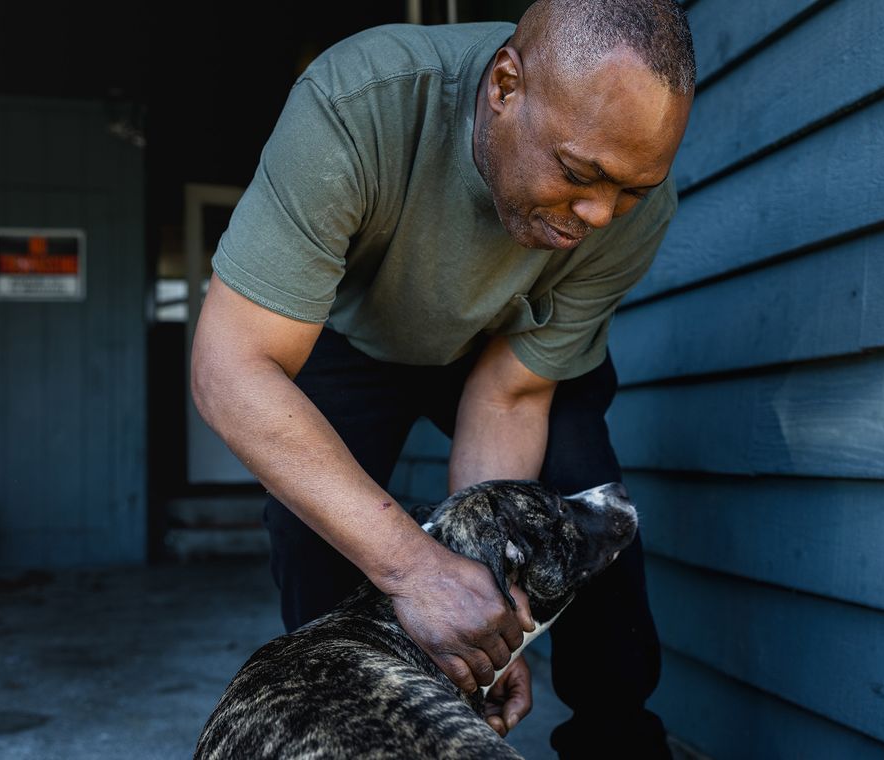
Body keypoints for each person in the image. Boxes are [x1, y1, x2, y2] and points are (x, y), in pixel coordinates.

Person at [191, 0, 696, 756]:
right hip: (351, 333)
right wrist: (415, 572)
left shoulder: (630, 214)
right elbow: (231, 369)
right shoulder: (357, 105)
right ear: (504, 85)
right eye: (579, 172)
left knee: (585, 524)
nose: (599, 213)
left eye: (631, 189)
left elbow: (510, 393)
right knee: (313, 537)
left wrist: (490, 645)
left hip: (502, 348)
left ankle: (617, 741)